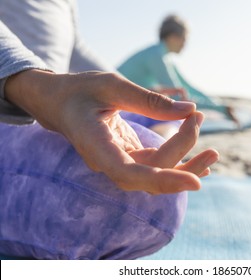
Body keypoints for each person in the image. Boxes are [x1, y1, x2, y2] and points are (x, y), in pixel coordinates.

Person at [0, 1, 218, 260]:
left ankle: (161, 143)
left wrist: (136, 95)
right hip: (17, 106)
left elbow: (74, 46)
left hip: (58, 98)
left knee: (156, 137)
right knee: (140, 206)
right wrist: (35, 85)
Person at [118, 14, 240, 132]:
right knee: (174, 119)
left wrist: (220, 105)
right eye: (184, 39)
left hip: (127, 106)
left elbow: (187, 88)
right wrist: (220, 109)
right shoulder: (156, 56)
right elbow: (179, 99)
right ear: (173, 37)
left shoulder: (162, 56)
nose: (185, 44)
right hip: (118, 109)